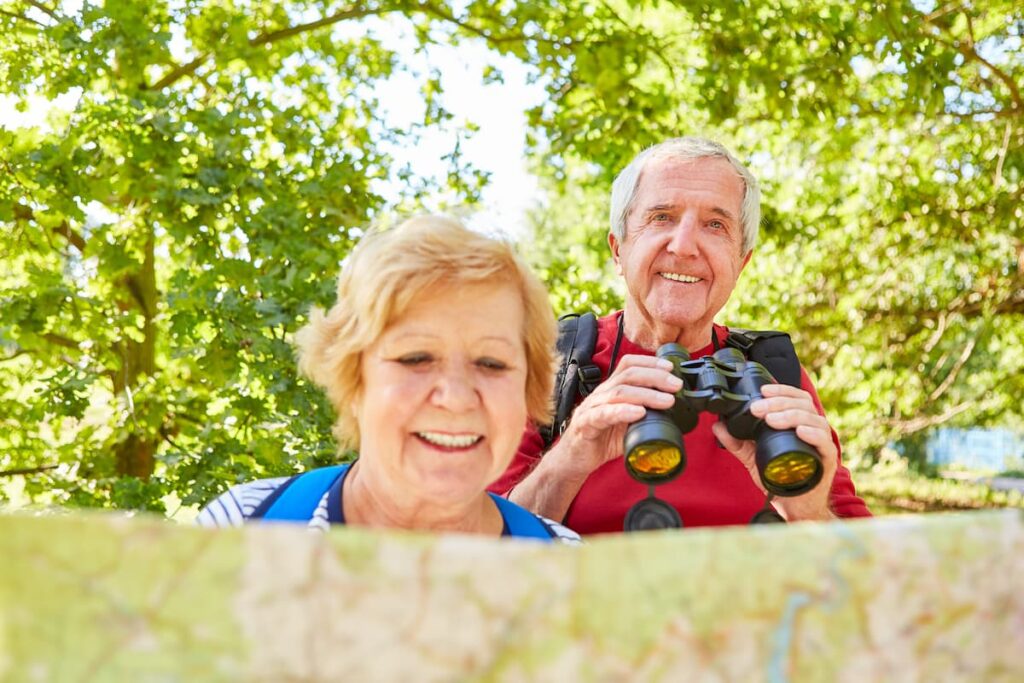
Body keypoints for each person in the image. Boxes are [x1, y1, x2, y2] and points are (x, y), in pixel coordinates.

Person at [490, 137, 871, 534]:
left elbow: (870, 568)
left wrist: (807, 509)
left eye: (715, 225)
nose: (685, 245)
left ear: (740, 263)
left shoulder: (774, 374)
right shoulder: (550, 363)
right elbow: (479, 546)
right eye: (662, 217)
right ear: (618, 250)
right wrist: (571, 454)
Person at [198, 215, 579, 543]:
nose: (457, 397)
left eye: (492, 363)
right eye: (416, 358)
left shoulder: (570, 578)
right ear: (353, 379)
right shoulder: (237, 531)